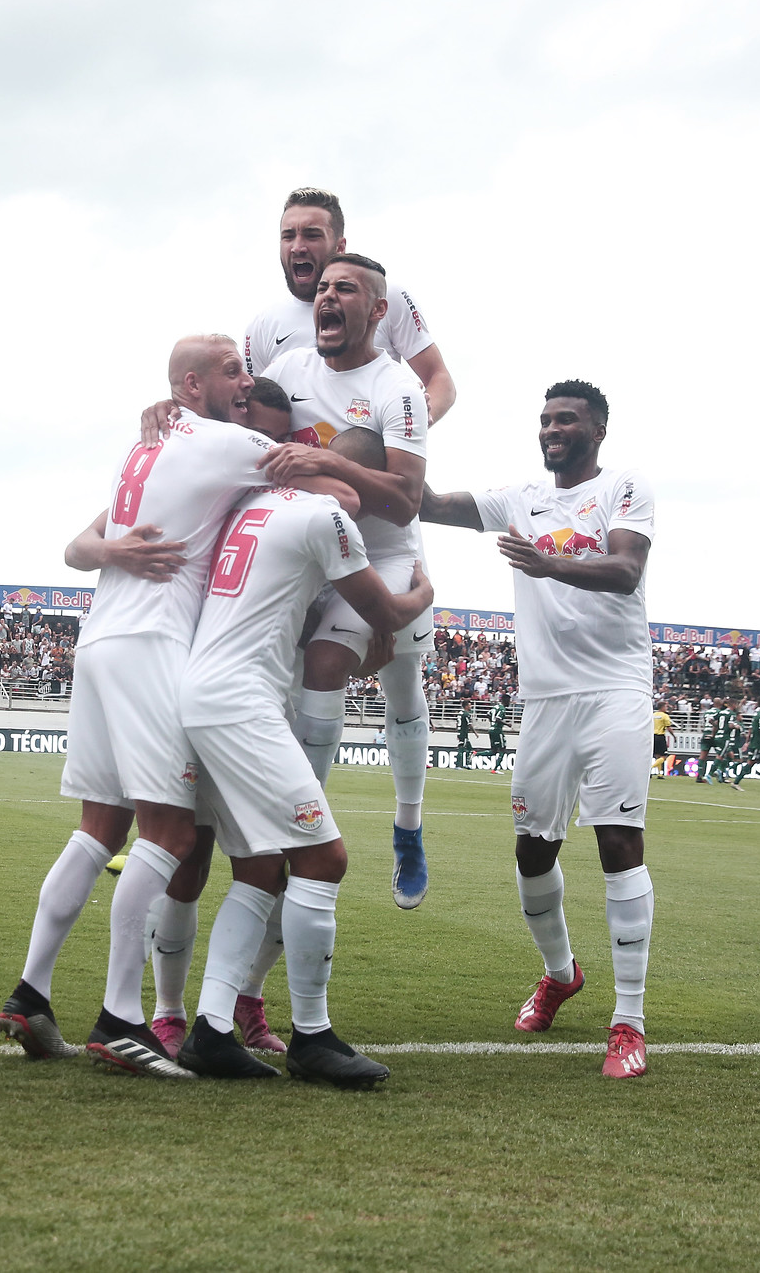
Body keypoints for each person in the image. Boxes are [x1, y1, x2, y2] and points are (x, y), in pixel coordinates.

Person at [0, 336, 350, 1076]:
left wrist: (112, 551)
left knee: (99, 828)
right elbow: (328, 482)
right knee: (168, 833)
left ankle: (31, 992)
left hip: (101, 639)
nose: (245, 381)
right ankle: (121, 1016)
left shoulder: (146, 444)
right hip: (156, 641)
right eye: (232, 372)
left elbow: (73, 548)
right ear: (192, 383)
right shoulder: (223, 442)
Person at [419, 379, 658, 1080]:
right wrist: (393, 432)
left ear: (598, 431)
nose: (553, 428)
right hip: (546, 700)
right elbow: (428, 503)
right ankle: (560, 973)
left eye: (568, 420)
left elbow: (624, 568)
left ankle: (628, 1023)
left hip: (615, 689)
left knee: (618, 841)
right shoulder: (518, 498)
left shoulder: (624, 486)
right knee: (531, 852)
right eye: (547, 419)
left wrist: (549, 562)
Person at [173, 479, 433, 1086]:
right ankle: (312, 1037)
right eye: (348, 484)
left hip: (204, 692)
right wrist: (425, 591)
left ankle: (210, 1031)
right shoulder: (324, 515)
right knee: (322, 858)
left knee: (261, 868)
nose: (359, 502)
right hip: (244, 703)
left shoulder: (251, 508)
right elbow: (389, 612)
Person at [258, 253, 438, 910]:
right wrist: (172, 408)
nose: (328, 297)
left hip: (387, 550)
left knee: (401, 685)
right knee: (322, 662)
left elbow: (406, 498)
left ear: (378, 310)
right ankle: (303, 824)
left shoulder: (398, 386)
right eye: (324, 288)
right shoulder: (286, 370)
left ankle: (409, 827)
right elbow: (241, 432)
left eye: (347, 289)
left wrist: (329, 462)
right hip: (315, 548)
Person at [242, 187, 458, 424]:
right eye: (288, 236)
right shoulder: (262, 324)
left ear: (340, 246)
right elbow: (248, 408)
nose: (297, 247)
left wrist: (414, 424)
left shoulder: (383, 296)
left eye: (312, 235)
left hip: (373, 456)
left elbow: (439, 378)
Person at [650, 701, 673, 777]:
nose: (666, 708)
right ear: (662, 707)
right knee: (664, 756)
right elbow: (668, 727)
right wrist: (674, 736)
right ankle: (651, 768)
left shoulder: (653, 715)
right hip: (660, 736)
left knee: (657, 755)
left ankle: (660, 774)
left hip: (653, 736)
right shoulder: (664, 716)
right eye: (666, 707)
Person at [488, 706, 509, 774]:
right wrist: (507, 724)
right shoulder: (502, 709)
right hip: (497, 730)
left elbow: (488, 714)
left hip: (491, 729)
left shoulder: (495, 707)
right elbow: (498, 719)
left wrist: (492, 723)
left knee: (493, 751)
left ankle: (475, 754)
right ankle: (495, 769)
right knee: (502, 749)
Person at [456, 705, 474, 769]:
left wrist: (458, 732)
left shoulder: (460, 713)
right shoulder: (466, 714)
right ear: (466, 706)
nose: (470, 706)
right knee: (461, 748)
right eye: (469, 705)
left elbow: (457, 723)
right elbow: (470, 725)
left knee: (469, 748)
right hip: (464, 734)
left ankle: (467, 764)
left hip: (460, 732)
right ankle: (458, 765)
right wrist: (475, 733)